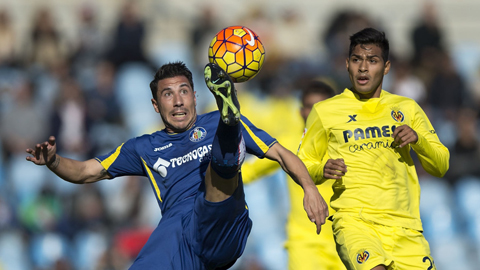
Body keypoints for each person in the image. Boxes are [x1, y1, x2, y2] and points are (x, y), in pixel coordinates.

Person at [26, 61, 328, 270]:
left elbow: (282, 153)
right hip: (178, 234)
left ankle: (228, 131)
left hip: (224, 221)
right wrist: (53, 161)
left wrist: (310, 188)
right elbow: (85, 172)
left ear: (196, 96)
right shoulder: (142, 146)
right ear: (156, 105)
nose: (178, 101)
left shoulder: (209, 123)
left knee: (218, 166)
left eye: (184, 91)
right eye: (168, 95)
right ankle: (227, 142)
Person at [297, 28, 449, 270]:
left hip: (406, 229)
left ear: (386, 67)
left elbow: (441, 165)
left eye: (373, 60)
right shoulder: (324, 111)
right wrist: (321, 168)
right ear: (347, 64)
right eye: (357, 60)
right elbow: (302, 163)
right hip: (356, 222)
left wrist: (418, 140)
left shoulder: (407, 108)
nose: (363, 68)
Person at [241, 80, 346, 270]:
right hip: (305, 245)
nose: (314, 113)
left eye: (320, 107)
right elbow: (248, 172)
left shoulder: (350, 145)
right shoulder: (288, 144)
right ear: (300, 112)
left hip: (347, 241)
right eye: (308, 107)